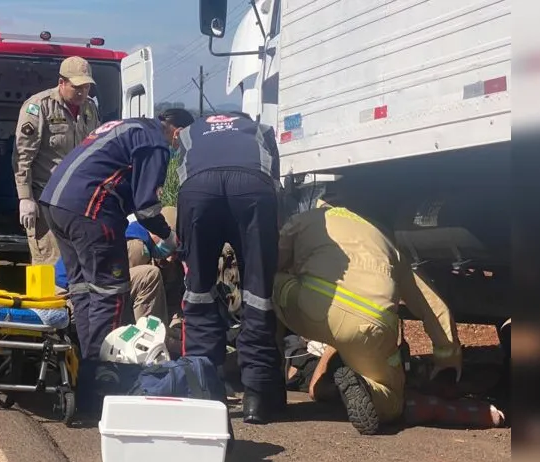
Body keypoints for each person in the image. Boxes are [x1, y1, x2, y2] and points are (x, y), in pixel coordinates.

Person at [272, 194, 463, 434]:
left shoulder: (306, 221)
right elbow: (433, 308)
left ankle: (269, 382)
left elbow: (272, 262)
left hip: (315, 309)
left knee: (268, 287)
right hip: (373, 325)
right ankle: (367, 387)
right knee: (392, 400)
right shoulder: (386, 244)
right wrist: (447, 361)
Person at [39, 110, 193, 400]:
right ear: (177, 131)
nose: (177, 148)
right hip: (92, 210)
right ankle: (101, 381)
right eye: (180, 141)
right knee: (109, 294)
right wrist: (170, 237)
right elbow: (147, 208)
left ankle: (82, 372)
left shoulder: (127, 126)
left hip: (56, 204)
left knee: (83, 291)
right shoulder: (155, 142)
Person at [173, 111, 285, 424]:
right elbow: (273, 185)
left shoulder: (190, 132)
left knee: (199, 291)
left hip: (198, 192)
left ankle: (206, 389)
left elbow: (183, 178)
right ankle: (257, 395)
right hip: (252, 191)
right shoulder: (260, 128)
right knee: (258, 293)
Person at [14, 56, 101, 266]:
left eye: (86, 87)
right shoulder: (39, 107)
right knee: (48, 262)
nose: (82, 92)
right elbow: (22, 156)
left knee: (77, 262)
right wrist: (25, 198)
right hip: (46, 198)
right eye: (76, 87)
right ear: (61, 83)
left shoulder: (90, 109)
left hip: (78, 199)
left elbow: (96, 151)